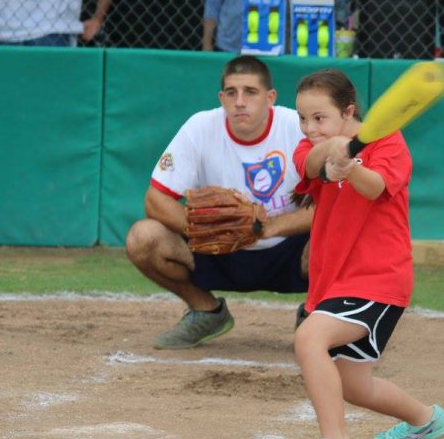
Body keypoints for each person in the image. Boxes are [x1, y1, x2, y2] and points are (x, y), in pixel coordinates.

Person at [286, 69, 444, 439]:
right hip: (335, 279)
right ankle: (426, 420)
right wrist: (335, 149)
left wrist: (352, 164)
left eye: (320, 118)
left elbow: (375, 187)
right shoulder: (314, 145)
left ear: (348, 111)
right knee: (353, 386)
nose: (310, 127)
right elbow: (308, 166)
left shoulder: (390, 142)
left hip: (377, 277)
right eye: (303, 118)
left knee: (309, 339)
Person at [125, 56, 313, 349]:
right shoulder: (200, 127)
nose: (239, 102)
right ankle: (206, 310)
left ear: (270, 97)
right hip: (218, 250)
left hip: (286, 247)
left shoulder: (296, 127)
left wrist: (271, 227)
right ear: (221, 97)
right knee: (142, 237)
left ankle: (316, 316)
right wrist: (208, 229)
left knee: (345, 233)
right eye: (231, 92)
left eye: (250, 92)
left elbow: (331, 204)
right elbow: (156, 199)